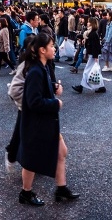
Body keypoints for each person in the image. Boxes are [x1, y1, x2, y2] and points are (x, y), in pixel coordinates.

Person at [17, 33, 80, 207]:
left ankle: (61, 188)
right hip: (37, 124)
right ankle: (26, 193)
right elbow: (34, 101)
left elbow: (39, 91)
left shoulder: (42, 67)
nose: (55, 48)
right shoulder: (36, 71)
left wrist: (53, 88)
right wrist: (55, 103)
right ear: (42, 50)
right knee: (32, 160)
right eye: (52, 46)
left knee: (61, 152)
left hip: (45, 123)